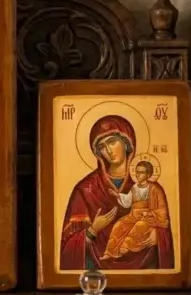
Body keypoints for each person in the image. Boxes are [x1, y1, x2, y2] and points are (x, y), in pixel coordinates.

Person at [60, 115, 175, 271]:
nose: (108, 151)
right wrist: (93, 230)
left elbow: (163, 223)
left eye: (112, 142)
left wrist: (158, 237)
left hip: (145, 264)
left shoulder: (152, 187)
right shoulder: (86, 190)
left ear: (127, 143)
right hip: (96, 269)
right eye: (101, 147)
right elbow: (68, 248)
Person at [101, 160, 171, 261]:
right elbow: (128, 201)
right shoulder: (134, 187)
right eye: (137, 172)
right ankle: (110, 251)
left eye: (141, 172)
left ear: (148, 174)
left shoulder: (154, 189)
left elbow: (162, 209)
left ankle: (125, 246)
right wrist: (117, 195)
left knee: (139, 225)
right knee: (119, 224)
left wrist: (150, 213)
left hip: (147, 217)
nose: (138, 175)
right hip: (133, 215)